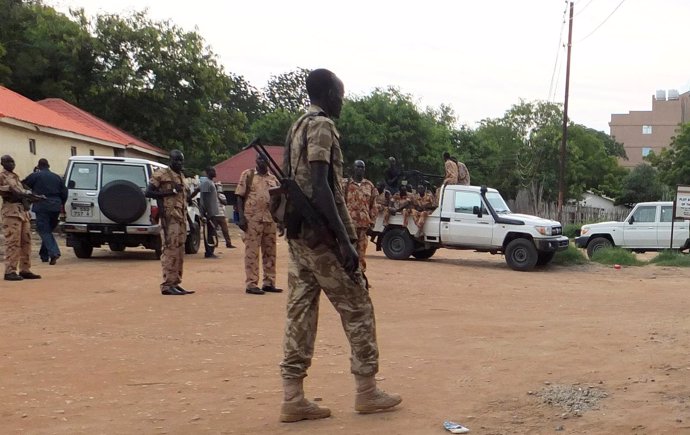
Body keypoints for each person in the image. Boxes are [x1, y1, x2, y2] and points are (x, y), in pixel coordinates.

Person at [279, 68, 401, 423]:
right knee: (358, 307)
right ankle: (367, 391)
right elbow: (320, 186)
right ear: (329, 93)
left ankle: (293, 396)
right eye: (340, 95)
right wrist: (345, 243)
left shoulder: (296, 126)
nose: (342, 102)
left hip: (300, 235)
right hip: (322, 237)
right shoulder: (321, 126)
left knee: (300, 312)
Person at [145, 150, 194, 296]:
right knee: (170, 250)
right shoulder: (161, 174)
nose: (179, 163)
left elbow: (185, 199)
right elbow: (148, 192)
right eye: (176, 160)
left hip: (180, 218)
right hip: (169, 218)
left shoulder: (181, 176)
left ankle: (175, 282)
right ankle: (167, 284)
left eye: (181, 161)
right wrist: (170, 191)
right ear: (170, 160)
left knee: (179, 251)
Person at [235, 153, 282, 295]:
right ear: (256, 160)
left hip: (269, 219)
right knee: (252, 252)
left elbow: (279, 198)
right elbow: (239, 196)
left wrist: (278, 217)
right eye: (259, 159)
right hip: (252, 219)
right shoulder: (248, 175)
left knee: (270, 252)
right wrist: (241, 218)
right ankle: (251, 283)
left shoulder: (273, 179)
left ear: (268, 161)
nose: (262, 161)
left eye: (265, 159)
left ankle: (269, 282)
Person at [0, 155, 42, 281]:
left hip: (22, 211)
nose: (11, 164)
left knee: (26, 241)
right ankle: (10, 270)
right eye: (8, 161)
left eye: (13, 161)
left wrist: (33, 197)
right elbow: (7, 190)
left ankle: (25, 269)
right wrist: (11, 190)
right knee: (13, 241)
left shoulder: (15, 177)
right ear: (2, 163)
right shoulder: (2, 176)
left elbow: (23, 192)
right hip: (11, 211)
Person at [22, 158, 67, 265]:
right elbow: (65, 192)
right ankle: (44, 255)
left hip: (42, 204)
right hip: (56, 205)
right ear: (49, 165)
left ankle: (54, 252)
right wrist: (61, 203)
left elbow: (23, 184)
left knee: (44, 231)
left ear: (39, 166)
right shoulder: (57, 177)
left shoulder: (36, 175)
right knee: (47, 231)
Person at [342, 160, 378, 272]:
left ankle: (360, 277)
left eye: (362, 167)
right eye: (358, 166)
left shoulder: (369, 185)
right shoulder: (345, 184)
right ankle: (348, 276)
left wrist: (372, 223)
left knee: (361, 253)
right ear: (353, 168)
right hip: (349, 225)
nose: (360, 169)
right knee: (347, 252)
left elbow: (374, 206)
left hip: (363, 225)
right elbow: (339, 203)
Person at [199, 167, 221, 259]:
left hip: (213, 212)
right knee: (209, 233)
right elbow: (204, 198)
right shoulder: (206, 183)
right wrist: (206, 212)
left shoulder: (211, 182)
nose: (215, 172)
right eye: (212, 171)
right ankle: (208, 252)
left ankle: (210, 251)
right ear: (207, 172)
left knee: (212, 232)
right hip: (209, 212)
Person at [215, 183, 235, 249]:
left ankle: (228, 244)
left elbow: (225, 203)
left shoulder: (222, 195)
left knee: (225, 230)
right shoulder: (211, 196)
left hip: (221, 215)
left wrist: (218, 197)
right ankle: (214, 244)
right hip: (214, 215)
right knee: (212, 231)